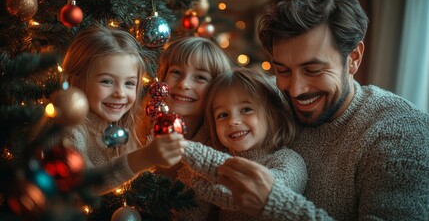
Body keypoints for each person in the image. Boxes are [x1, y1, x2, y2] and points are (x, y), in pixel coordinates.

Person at [217, 0, 429, 220]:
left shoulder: (402, 132)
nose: (295, 90)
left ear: (354, 59)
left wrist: (277, 205)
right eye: (283, 70)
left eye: (313, 70)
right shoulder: (268, 105)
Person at [60, 26, 188, 195]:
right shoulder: (68, 130)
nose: (120, 93)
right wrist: (143, 158)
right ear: (75, 81)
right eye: (107, 81)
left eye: (129, 83)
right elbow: (85, 183)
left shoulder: (124, 128)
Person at [173, 67, 307, 220]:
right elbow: (189, 212)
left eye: (246, 109)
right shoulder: (220, 164)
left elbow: (266, 193)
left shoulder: (287, 159)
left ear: (272, 115)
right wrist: (194, 179)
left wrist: (206, 186)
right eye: (223, 115)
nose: (233, 121)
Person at [139, 36, 234, 178]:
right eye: (176, 72)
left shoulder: (222, 153)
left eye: (200, 77)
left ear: (216, 90)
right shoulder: (136, 132)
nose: (184, 84)